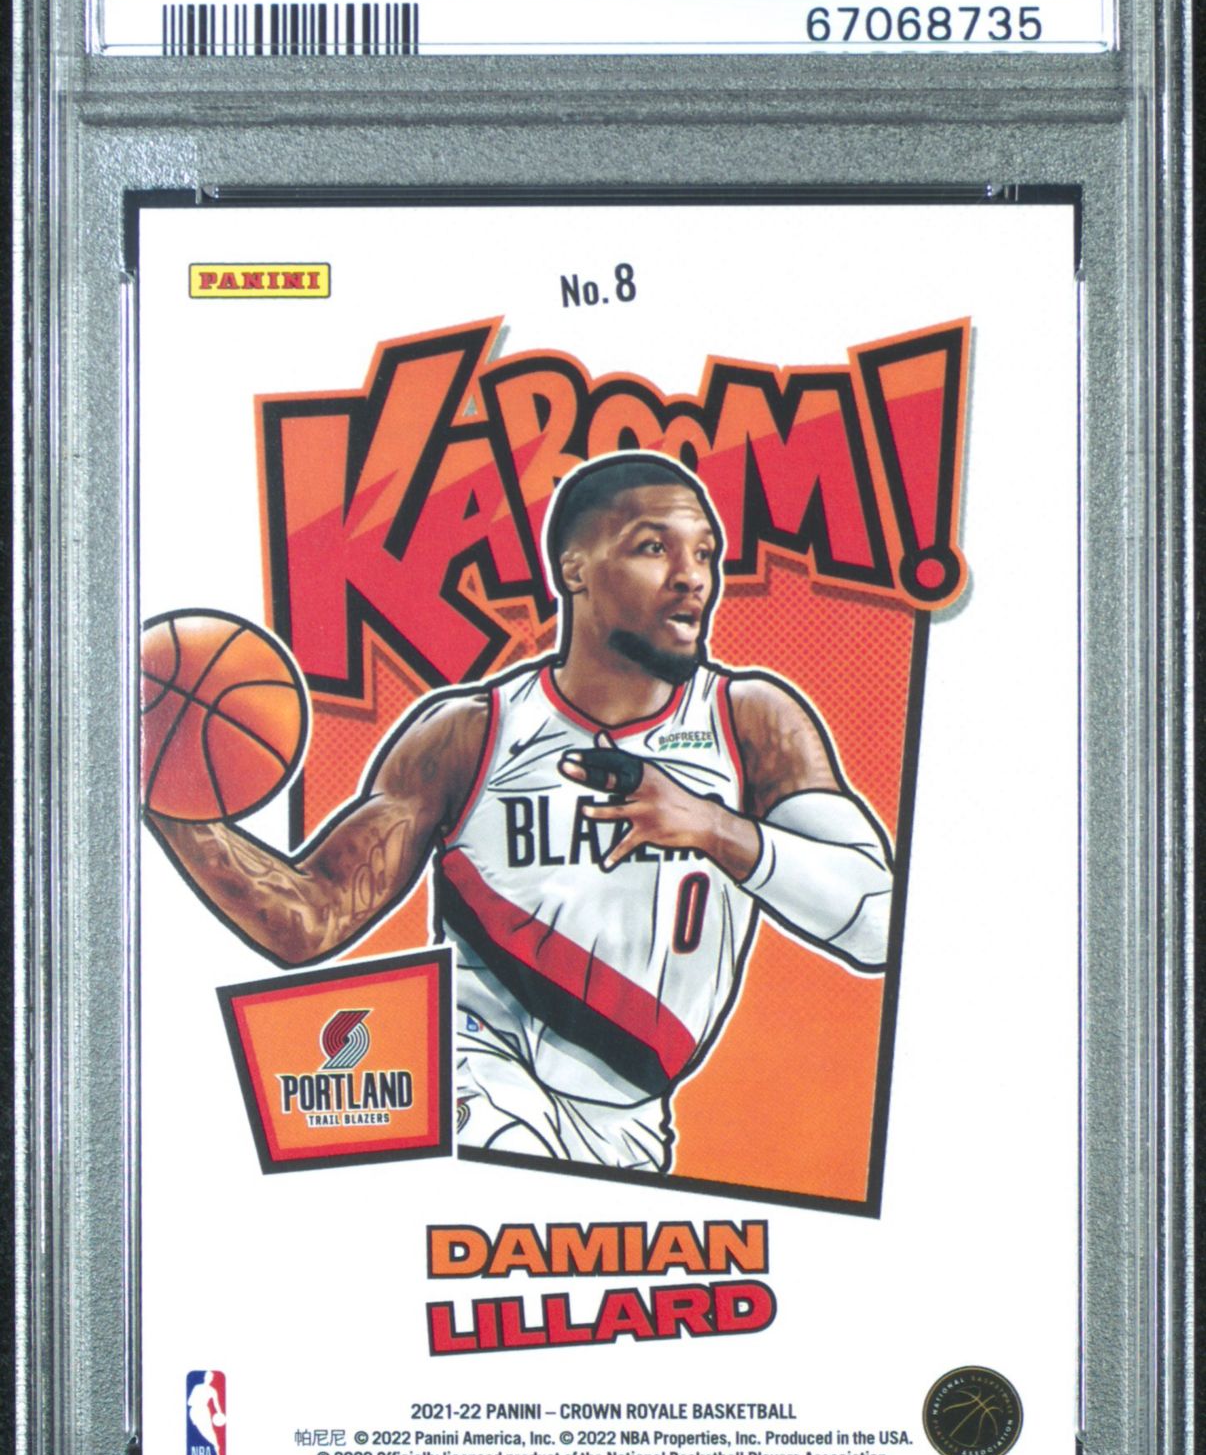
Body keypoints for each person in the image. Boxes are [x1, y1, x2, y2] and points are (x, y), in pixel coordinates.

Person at [147, 453, 893, 1174]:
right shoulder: (471, 732)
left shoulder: (753, 720)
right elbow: (312, 918)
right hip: (478, 1067)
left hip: (630, 1118)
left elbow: (879, 926)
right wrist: (160, 786)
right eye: (653, 547)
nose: (691, 576)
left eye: (704, 552)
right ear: (574, 570)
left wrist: (712, 826)